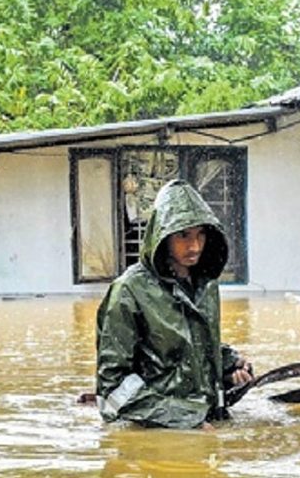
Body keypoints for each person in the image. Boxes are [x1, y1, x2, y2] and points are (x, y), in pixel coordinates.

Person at [95, 179, 253, 429]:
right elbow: (112, 391)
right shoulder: (128, 291)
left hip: (209, 422)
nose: (195, 246)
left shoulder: (206, 285)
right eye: (183, 236)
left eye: (201, 234)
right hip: (156, 435)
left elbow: (191, 347)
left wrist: (230, 365)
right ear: (162, 235)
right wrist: (183, 420)